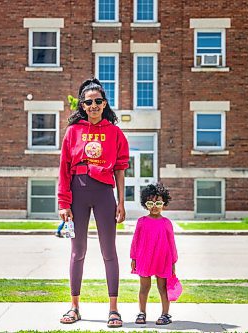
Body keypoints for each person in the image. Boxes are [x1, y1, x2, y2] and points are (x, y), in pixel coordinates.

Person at [57, 78, 129, 328]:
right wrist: (63, 203)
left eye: (98, 101)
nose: (94, 105)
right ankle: (74, 306)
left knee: (109, 251)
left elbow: (120, 170)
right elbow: (64, 170)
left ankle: (113, 309)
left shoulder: (115, 132)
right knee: (78, 252)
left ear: (105, 103)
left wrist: (121, 202)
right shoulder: (73, 132)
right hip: (77, 192)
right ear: (83, 105)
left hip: (103, 194)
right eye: (89, 102)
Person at [130, 183, 178, 326]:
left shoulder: (166, 223)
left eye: (158, 202)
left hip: (163, 259)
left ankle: (165, 314)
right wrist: (133, 257)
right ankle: (142, 312)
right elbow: (135, 241)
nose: (155, 206)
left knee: (162, 288)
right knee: (144, 288)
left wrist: (173, 261)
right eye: (151, 203)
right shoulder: (141, 222)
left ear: (164, 203)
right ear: (146, 204)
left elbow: (172, 243)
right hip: (144, 258)